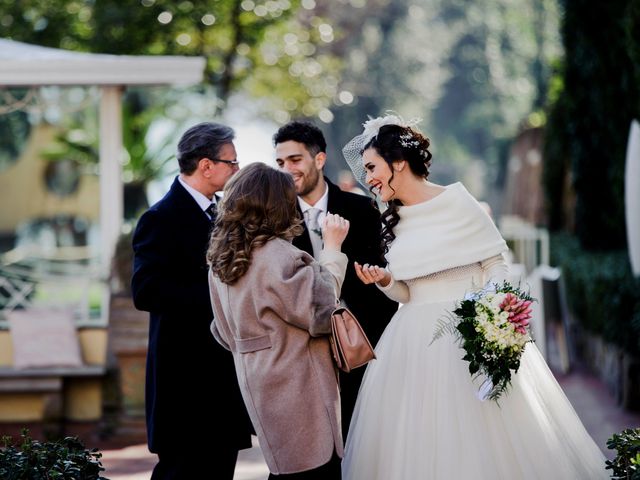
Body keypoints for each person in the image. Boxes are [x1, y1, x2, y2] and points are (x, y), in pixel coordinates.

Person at [340, 114, 608, 479]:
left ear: (398, 164)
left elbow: (494, 262)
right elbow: (407, 291)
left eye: (371, 167)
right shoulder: (393, 219)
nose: (366, 177)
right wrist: (386, 280)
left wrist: (494, 309)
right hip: (411, 343)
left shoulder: (458, 201)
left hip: (469, 333)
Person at [207, 162, 349, 479]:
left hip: (258, 385)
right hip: (299, 389)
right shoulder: (281, 256)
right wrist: (333, 249)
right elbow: (324, 314)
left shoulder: (220, 261)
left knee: (286, 470)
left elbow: (221, 331)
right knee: (315, 470)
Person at [131, 122, 253, 479]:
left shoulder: (226, 214)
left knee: (220, 469)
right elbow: (146, 291)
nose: (237, 169)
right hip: (183, 383)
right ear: (206, 165)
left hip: (221, 378)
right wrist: (221, 297)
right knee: (181, 472)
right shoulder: (159, 219)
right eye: (231, 162)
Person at [273, 121, 398, 439]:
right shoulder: (275, 219)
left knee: (363, 438)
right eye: (280, 162)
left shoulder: (363, 209)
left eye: (295, 160)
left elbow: (382, 281)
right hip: (303, 353)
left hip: (360, 348)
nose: (287, 169)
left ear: (319, 159)